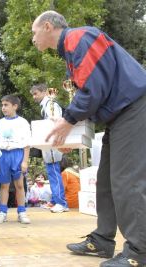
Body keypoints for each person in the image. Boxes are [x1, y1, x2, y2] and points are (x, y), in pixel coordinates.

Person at [31, 10, 146, 266]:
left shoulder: (78, 38)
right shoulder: (73, 46)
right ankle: (103, 240)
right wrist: (71, 136)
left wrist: (67, 120)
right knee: (105, 181)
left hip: (133, 108)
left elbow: (93, 87)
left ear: (47, 26)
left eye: (33, 32)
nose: (33, 38)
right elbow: (95, 93)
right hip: (120, 114)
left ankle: (139, 252)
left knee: (127, 181)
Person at [30, 83, 69, 213]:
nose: (34, 97)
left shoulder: (51, 104)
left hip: (53, 143)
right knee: (51, 171)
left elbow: (56, 121)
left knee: (53, 171)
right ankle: (54, 200)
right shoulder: (45, 105)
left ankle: (61, 203)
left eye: (36, 94)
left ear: (44, 92)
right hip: (48, 143)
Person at [0, 95, 31, 224]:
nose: (3, 108)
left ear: (15, 106)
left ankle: (22, 212)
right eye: (2, 105)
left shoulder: (23, 122)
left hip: (17, 154)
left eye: (6, 105)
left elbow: (26, 143)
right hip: (3, 155)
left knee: (19, 184)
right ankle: (2, 212)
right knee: (4, 185)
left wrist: (25, 161)